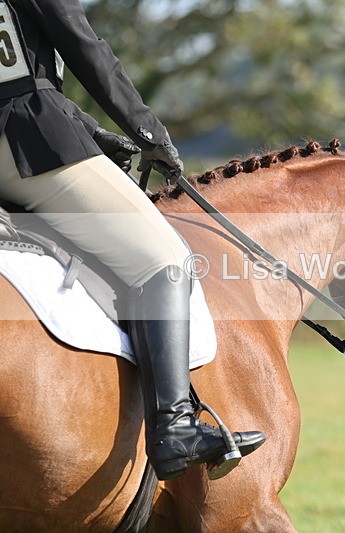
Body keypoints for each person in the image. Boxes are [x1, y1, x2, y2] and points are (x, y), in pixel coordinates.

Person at [0, 0, 265, 480]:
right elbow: (81, 46)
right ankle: (175, 427)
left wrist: (89, 130)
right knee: (164, 260)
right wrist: (148, 131)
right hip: (26, 143)